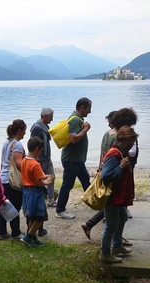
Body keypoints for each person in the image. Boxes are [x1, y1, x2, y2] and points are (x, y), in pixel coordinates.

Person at [80, 107, 138, 242]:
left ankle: (94, 227)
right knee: (113, 214)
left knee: (118, 213)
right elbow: (112, 160)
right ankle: (112, 244)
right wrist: (120, 167)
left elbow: (104, 155)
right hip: (113, 179)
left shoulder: (108, 133)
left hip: (109, 173)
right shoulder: (117, 138)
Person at [99, 126, 138, 263]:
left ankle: (117, 246)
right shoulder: (115, 154)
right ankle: (105, 253)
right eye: (131, 143)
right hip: (112, 197)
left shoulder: (121, 152)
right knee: (110, 225)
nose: (132, 145)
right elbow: (106, 175)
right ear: (124, 141)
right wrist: (121, 167)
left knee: (123, 217)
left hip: (119, 196)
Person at [55, 97, 92, 219]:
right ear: (82, 108)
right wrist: (85, 130)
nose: (90, 111)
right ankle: (60, 210)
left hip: (77, 159)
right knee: (67, 184)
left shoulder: (77, 118)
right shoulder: (76, 120)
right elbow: (73, 138)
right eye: (88, 108)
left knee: (86, 179)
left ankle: (94, 203)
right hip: (71, 159)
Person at [20, 136, 53, 247]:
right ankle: (28, 237)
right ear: (37, 149)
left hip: (26, 191)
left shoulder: (24, 160)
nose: (41, 152)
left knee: (31, 216)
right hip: (35, 192)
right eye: (41, 150)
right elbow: (39, 182)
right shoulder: (35, 164)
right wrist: (47, 181)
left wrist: (43, 177)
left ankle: (33, 237)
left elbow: (32, 176)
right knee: (40, 216)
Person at [0, 119, 26, 240]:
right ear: (19, 131)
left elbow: (3, 161)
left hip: (3, 178)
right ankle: (16, 233)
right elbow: (19, 164)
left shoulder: (6, 142)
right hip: (11, 180)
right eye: (24, 130)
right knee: (15, 206)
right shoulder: (17, 144)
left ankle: (2, 232)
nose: (25, 133)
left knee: (5, 206)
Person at [30, 107, 55, 236]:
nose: (52, 118)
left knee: (51, 177)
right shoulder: (37, 127)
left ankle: (50, 198)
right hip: (41, 158)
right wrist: (36, 158)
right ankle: (47, 198)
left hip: (46, 158)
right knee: (43, 179)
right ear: (45, 116)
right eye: (51, 116)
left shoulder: (44, 126)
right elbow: (34, 143)